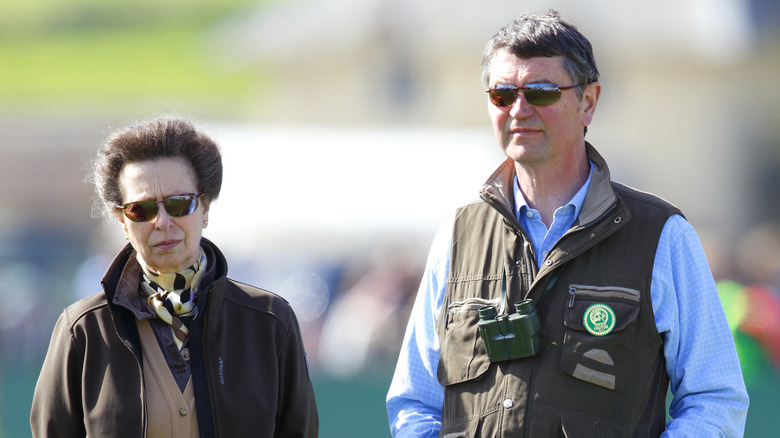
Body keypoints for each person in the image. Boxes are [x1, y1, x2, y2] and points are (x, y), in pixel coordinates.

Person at [386, 10, 748, 437]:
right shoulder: (457, 235)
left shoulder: (662, 235)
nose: (519, 109)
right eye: (502, 94)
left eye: (540, 92)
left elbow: (715, 398)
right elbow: (414, 402)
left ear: (588, 102)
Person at [31, 116, 318, 437]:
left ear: (205, 208)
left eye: (179, 204)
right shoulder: (82, 330)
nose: (163, 222)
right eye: (142, 209)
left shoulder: (269, 322)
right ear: (122, 221)